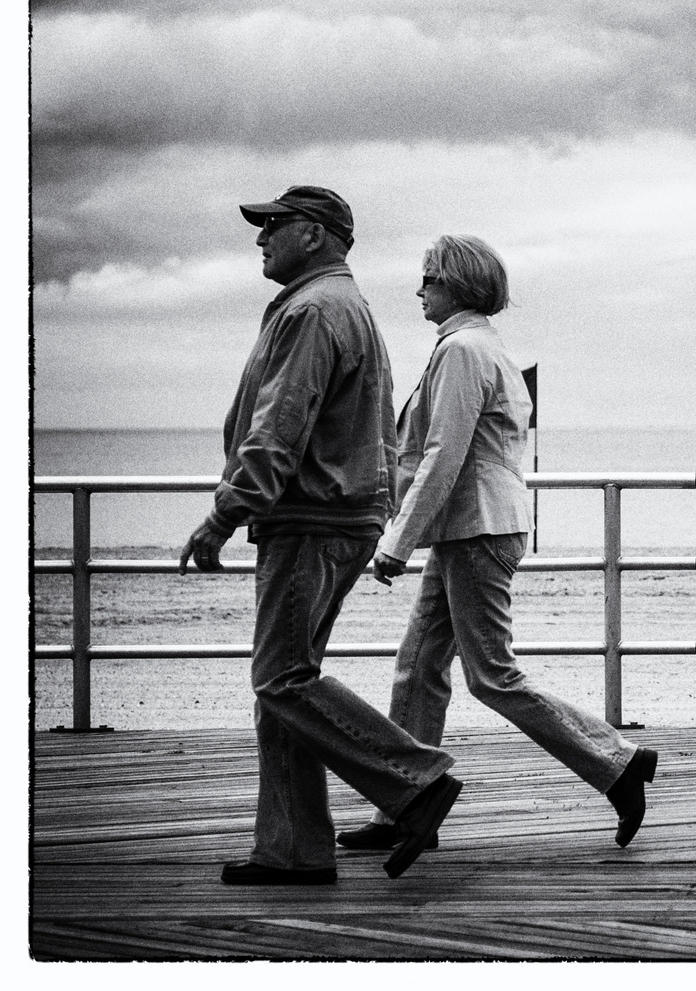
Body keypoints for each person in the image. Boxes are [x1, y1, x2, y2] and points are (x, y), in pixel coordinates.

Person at [334, 234, 658, 853]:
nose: (420, 288)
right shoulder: (478, 347)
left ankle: (617, 763)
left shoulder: (463, 350)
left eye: (429, 278)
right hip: (471, 526)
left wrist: (397, 542)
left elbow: (443, 454)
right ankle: (402, 806)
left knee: (492, 676)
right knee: (418, 667)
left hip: (478, 527)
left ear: (457, 284)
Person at [181, 186, 463, 885]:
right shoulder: (344, 306)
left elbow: (280, 426)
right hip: (337, 513)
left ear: (314, 234)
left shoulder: (313, 310)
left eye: (272, 226)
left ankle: (415, 777)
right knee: (287, 685)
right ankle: (295, 849)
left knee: (280, 677)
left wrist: (225, 513)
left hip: (312, 517)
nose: (261, 239)